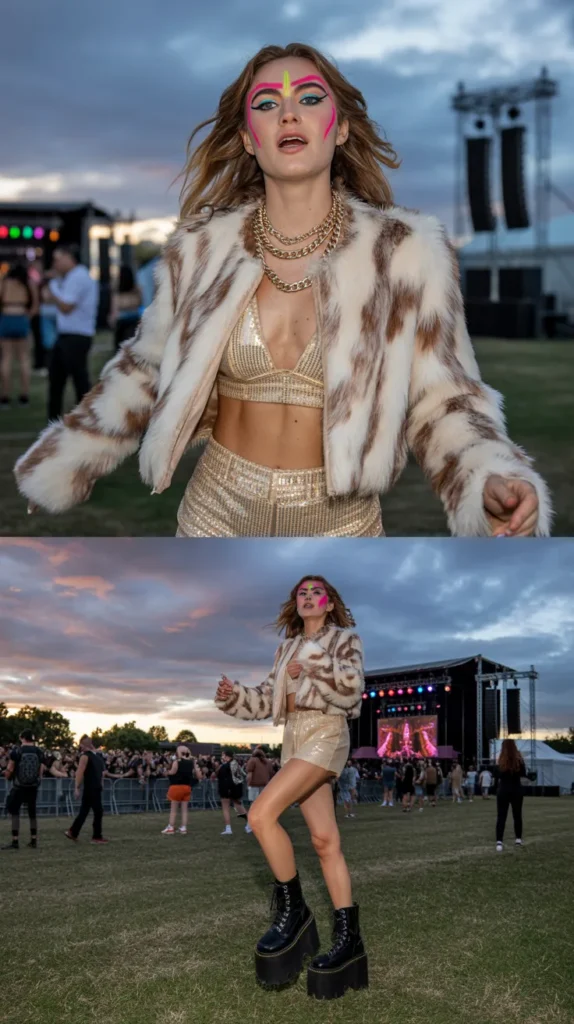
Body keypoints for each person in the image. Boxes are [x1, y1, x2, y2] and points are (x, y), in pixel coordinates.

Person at [15, 43, 551, 539]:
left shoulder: (407, 253)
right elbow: (147, 367)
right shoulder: (200, 250)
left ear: (339, 128)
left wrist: (489, 475)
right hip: (213, 515)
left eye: (310, 98)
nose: (289, 114)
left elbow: (446, 399)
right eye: (267, 104)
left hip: (342, 525)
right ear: (250, 138)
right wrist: (64, 460)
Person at [215, 575, 368, 999]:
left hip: (326, 731)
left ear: (330, 603)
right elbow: (269, 699)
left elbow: (354, 686)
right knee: (324, 841)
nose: (307, 597)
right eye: (301, 592)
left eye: (315, 592)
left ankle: (293, 911)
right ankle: (348, 939)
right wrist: (235, 696)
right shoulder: (285, 648)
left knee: (262, 815)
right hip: (294, 739)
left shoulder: (344, 638)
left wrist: (315, 664)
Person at [42, 244, 98, 422]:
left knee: (78, 380)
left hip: (76, 336)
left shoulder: (78, 276)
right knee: (57, 380)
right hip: (67, 335)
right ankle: (55, 421)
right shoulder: (71, 277)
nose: (55, 264)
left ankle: (87, 419)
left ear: (68, 258)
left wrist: (52, 287)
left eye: (57, 259)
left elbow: (66, 306)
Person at [64, 736, 116, 844]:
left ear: (84, 745)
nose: (79, 747)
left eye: (81, 745)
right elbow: (80, 772)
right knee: (98, 811)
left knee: (85, 811)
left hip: (93, 788)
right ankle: (96, 836)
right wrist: (76, 787)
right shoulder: (87, 756)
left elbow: (100, 773)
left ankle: (73, 832)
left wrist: (99, 784)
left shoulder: (94, 756)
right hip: (91, 788)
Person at [0, 265, 38, 407]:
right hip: (21, 317)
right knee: (24, 358)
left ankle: (4, 396)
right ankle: (24, 395)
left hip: (7, 317)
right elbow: (35, 305)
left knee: (6, 358)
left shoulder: (4, 282)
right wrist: (27, 317)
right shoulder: (29, 283)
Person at [1, 729, 45, 850]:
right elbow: (40, 770)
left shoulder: (17, 751)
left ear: (22, 738)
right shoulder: (39, 752)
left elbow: (10, 769)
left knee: (15, 812)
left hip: (19, 786)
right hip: (33, 787)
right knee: (32, 814)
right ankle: (34, 840)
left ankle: (15, 841)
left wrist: (7, 775)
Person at [494, 740, 527, 852]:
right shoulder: (519, 761)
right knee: (517, 815)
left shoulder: (501, 761)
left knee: (501, 816)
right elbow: (523, 773)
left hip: (503, 790)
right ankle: (518, 839)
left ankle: (499, 841)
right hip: (516, 789)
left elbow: (497, 775)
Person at [161, 745, 202, 835]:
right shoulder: (192, 762)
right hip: (187, 787)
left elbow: (173, 772)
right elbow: (198, 774)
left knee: (174, 809)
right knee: (184, 809)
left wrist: (166, 772)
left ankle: (171, 827)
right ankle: (183, 827)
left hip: (176, 786)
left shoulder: (177, 762)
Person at [217, 750, 249, 835]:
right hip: (236, 788)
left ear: (227, 756)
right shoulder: (236, 764)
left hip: (227, 788)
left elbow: (221, 776)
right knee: (239, 805)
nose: (222, 757)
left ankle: (228, 828)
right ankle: (249, 825)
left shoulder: (225, 766)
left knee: (226, 808)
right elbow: (243, 775)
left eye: (223, 755)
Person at [110, 265, 142, 351]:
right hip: (134, 320)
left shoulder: (117, 290)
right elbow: (140, 303)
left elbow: (115, 308)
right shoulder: (137, 290)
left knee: (121, 349)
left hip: (121, 321)